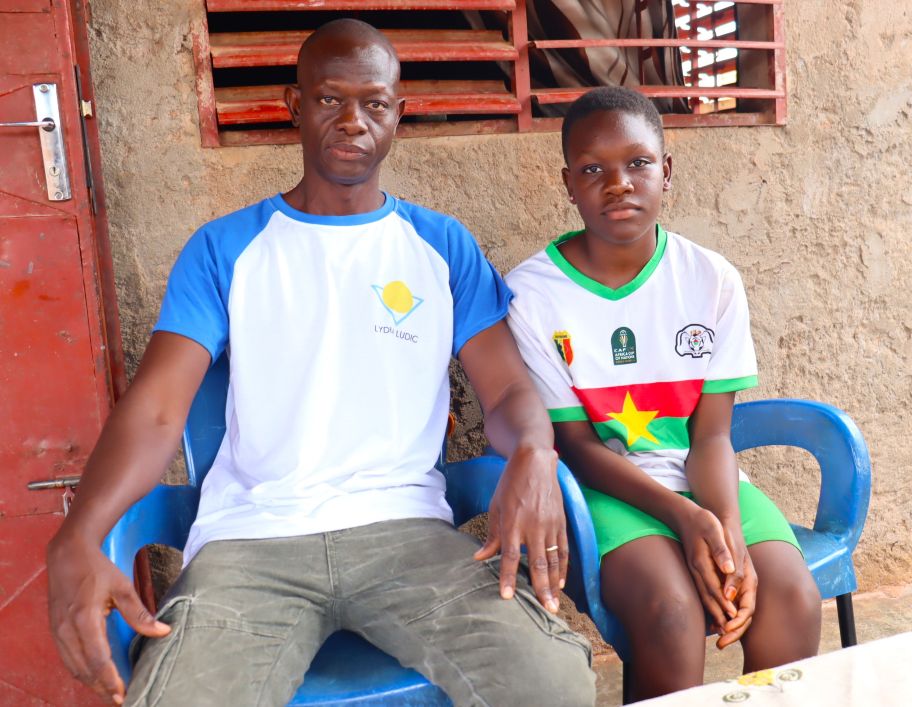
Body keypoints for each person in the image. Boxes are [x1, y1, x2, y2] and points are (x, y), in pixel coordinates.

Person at [45, 19, 595, 707]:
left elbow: (508, 388)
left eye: (374, 102)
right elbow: (157, 411)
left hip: (408, 536)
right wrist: (78, 534)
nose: (352, 121)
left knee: (551, 679)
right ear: (295, 105)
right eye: (331, 99)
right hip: (252, 544)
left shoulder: (441, 246)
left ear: (398, 113)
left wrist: (536, 451)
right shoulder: (225, 250)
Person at [505, 86, 821, 702]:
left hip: (703, 476)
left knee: (791, 597)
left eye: (638, 163)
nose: (618, 184)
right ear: (568, 185)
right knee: (671, 611)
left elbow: (712, 436)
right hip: (604, 489)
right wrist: (684, 516)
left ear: (666, 171)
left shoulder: (710, 279)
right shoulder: (534, 295)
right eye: (592, 170)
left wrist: (724, 527)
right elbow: (576, 447)